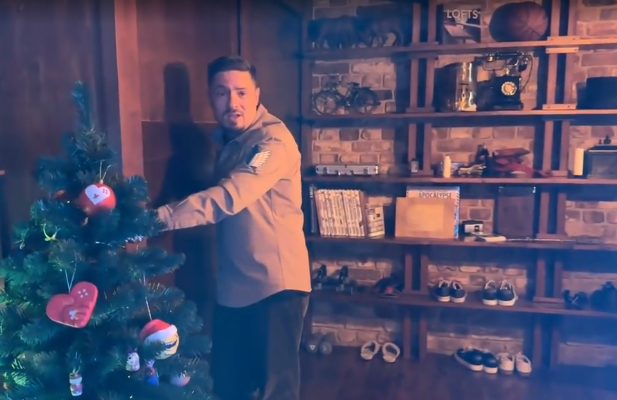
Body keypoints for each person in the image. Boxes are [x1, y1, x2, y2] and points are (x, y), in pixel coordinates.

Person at [156, 55, 311, 400]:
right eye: (221, 93)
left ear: (257, 95)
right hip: (233, 287)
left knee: (276, 391)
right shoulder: (224, 142)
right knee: (227, 386)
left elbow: (229, 196)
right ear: (210, 98)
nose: (232, 102)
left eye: (241, 92)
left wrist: (157, 219)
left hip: (274, 286)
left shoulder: (271, 143)